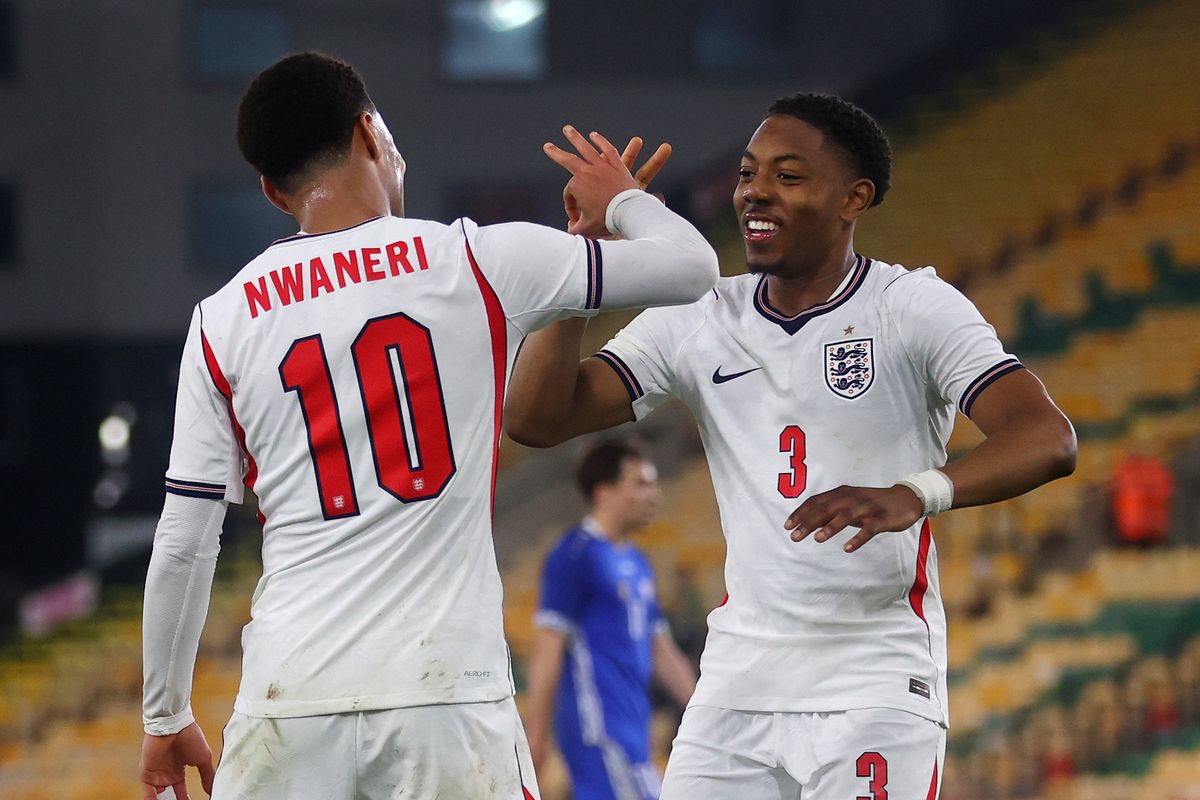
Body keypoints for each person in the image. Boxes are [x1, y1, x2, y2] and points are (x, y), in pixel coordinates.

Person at [138, 52, 718, 800]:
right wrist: (624, 200)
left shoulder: (222, 319)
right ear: (369, 132)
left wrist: (165, 712)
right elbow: (693, 267)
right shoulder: (474, 257)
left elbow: (184, 540)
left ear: (271, 190)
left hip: (290, 701)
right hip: (447, 698)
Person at [505, 92, 1078, 799]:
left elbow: (1047, 437)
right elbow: (537, 418)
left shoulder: (912, 307)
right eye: (747, 174)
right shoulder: (701, 314)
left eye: (787, 175)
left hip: (872, 678)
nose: (755, 193)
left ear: (853, 198)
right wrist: (583, 265)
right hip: (738, 685)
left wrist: (913, 493)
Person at [524, 440, 697, 800]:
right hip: (597, 730)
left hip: (633, 731)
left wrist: (704, 711)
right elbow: (547, 649)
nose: (654, 494)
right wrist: (536, 736)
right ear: (605, 492)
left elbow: (662, 651)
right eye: (641, 483)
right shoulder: (575, 555)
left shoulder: (637, 562)